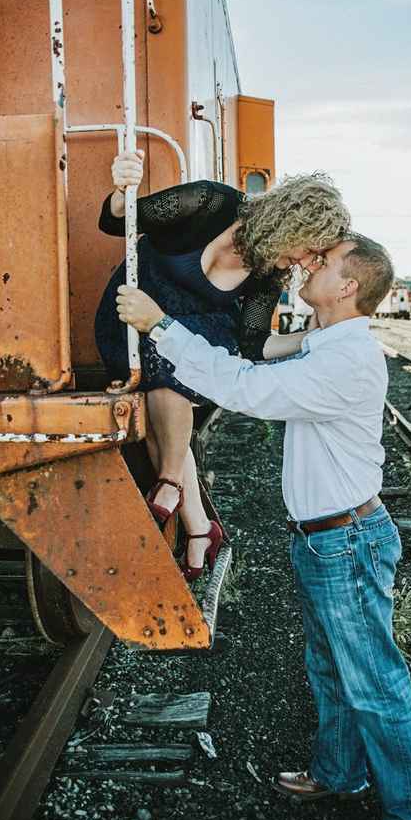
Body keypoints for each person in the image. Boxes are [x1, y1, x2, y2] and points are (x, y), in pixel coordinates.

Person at [116, 234, 411, 820]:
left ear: (350, 286)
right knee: (329, 668)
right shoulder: (327, 342)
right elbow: (267, 351)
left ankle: (410, 816)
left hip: (345, 540)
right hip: (325, 538)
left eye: (323, 264)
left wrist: (162, 326)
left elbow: (246, 388)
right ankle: (339, 773)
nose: (308, 268)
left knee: (373, 681)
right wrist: (268, 301)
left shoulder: (345, 360)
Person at [95, 152, 350, 578]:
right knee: (165, 360)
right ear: (290, 224)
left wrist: (314, 336)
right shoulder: (211, 203)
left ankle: (173, 487)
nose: (307, 263)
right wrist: (121, 190)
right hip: (132, 309)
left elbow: (253, 344)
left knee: (171, 359)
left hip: (192, 333)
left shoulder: (270, 274)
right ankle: (194, 519)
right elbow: (119, 221)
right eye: (310, 250)